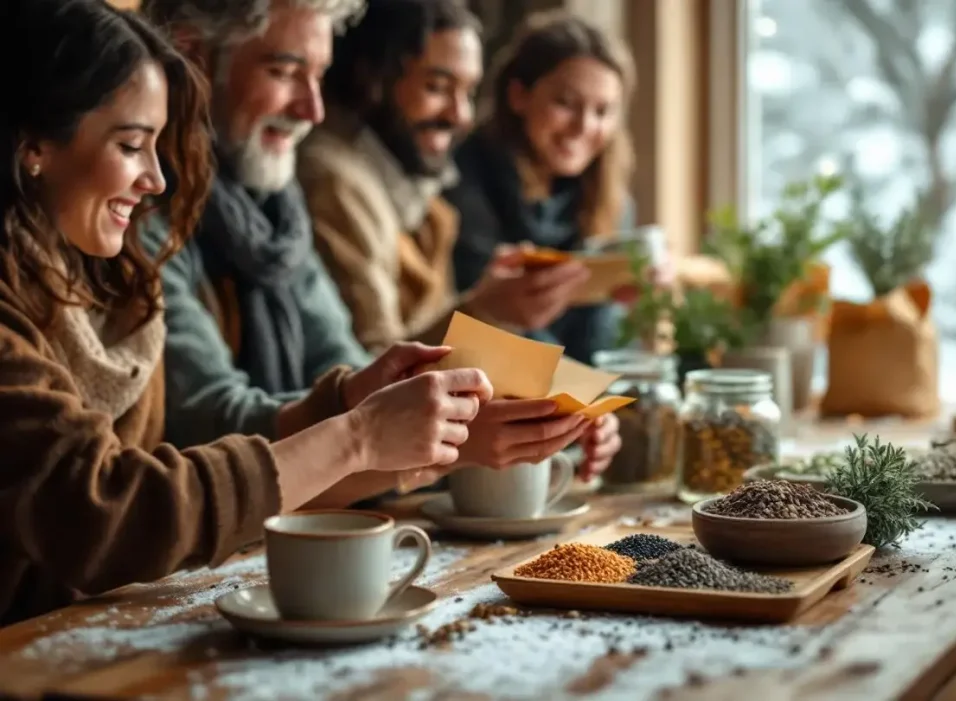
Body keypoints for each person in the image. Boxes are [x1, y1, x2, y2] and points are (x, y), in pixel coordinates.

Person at [0, 0, 493, 625]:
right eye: (130, 145)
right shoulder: (135, 249)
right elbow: (103, 509)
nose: (156, 180)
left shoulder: (108, 276)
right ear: (33, 146)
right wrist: (358, 434)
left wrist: (366, 405)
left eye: (157, 146)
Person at [298, 0, 621, 481]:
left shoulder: (423, 197)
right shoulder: (339, 182)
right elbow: (374, 376)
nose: (461, 115)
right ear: (373, 77)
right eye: (436, 87)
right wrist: (487, 309)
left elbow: (434, 348)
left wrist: (576, 409)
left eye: (468, 91)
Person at [445, 10, 639, 365]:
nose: (584, 126)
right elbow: (485, 329)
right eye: (566, 103)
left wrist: (637, 298)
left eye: (603, 111)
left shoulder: (610, 200)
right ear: (519, 95)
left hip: (578, 387)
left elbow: (606, 345)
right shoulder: (463, 183)